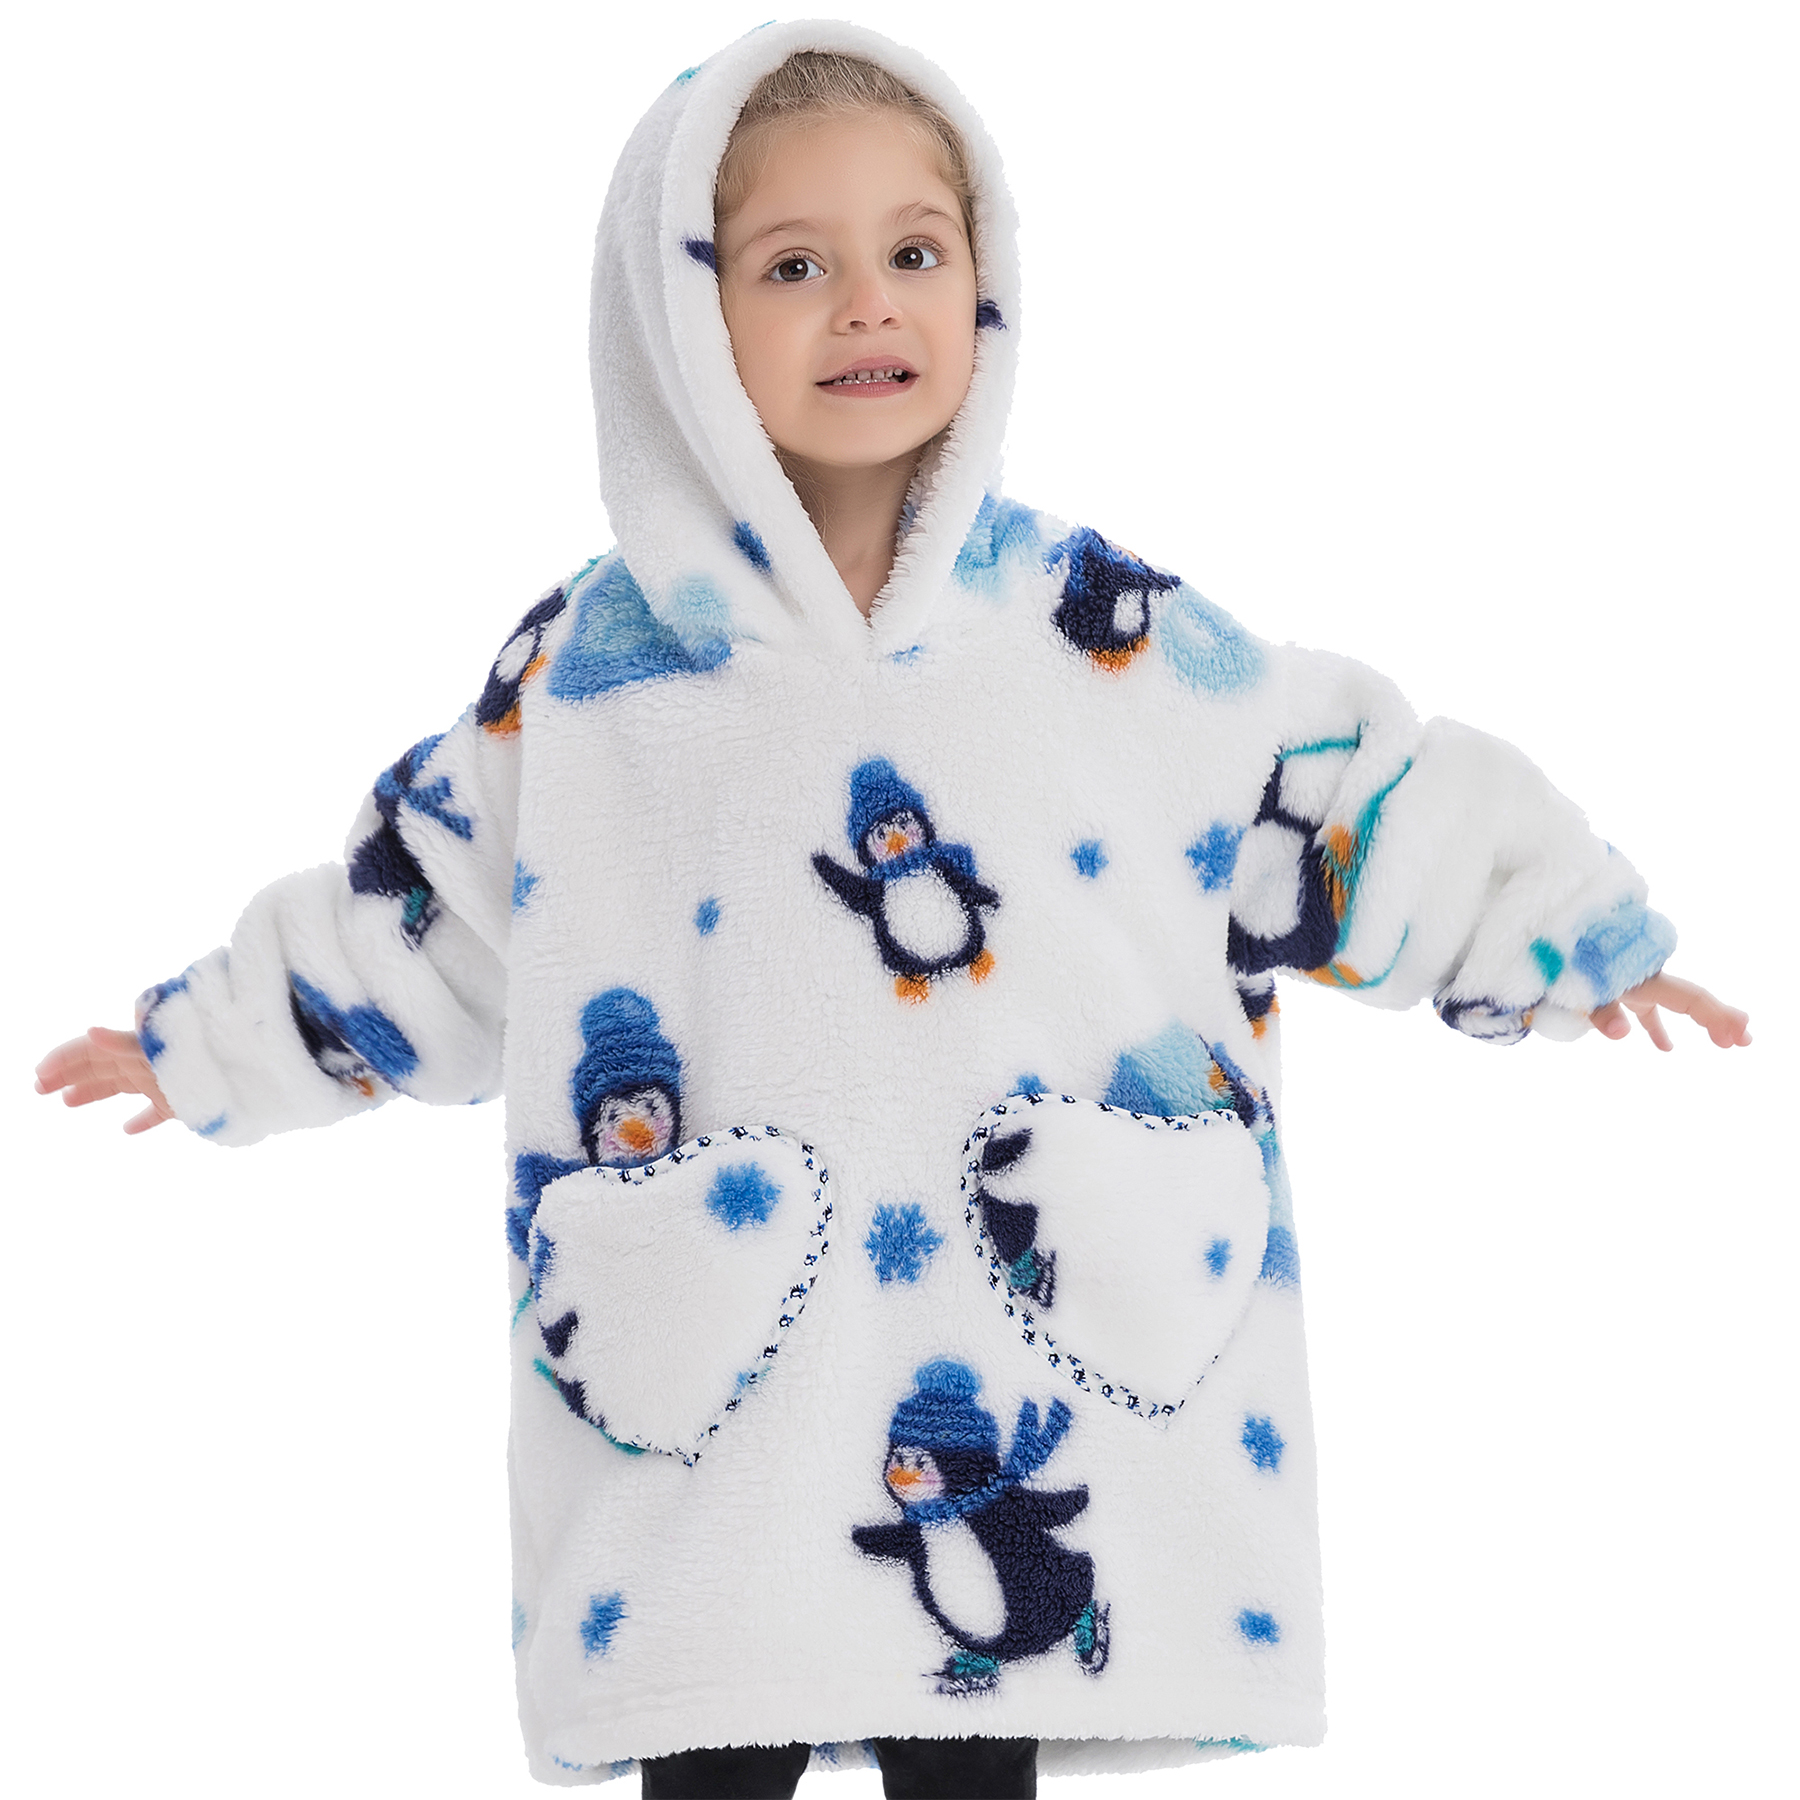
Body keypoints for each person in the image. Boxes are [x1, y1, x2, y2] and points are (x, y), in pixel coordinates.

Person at [32, 20, 1751, 1800]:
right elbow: (435, 914)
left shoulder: (1101, 634)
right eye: (795, 266)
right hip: (723, 1370)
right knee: (715, 1736)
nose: (869, 304)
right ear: (679, 315)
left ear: (985, 284)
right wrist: (212, 1047)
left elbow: (1318, 788)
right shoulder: (593, 679)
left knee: (970, 1753)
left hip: (1013, 1353)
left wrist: (1555, 929)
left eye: (916, 252)